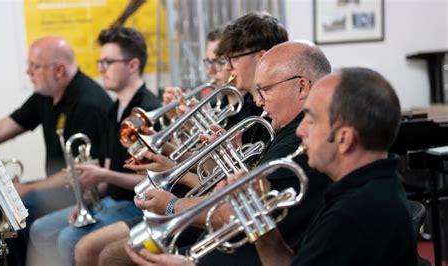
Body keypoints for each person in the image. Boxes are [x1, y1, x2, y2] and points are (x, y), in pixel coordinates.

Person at [125, 68, 419, 266]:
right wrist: (263, 230)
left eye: (312, 120)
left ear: (344, 139)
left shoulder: (356, 214)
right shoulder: (355, 191)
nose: (301, 131)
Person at [73, 13, 292, 266]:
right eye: (215, 60)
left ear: (261, 56)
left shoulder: (263, 118)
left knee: (108, 255)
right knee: (92, 250)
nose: (221, 68)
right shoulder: (242, 109)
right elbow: (217, 176)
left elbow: (229, 190)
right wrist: (172, 145)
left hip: (211, 217)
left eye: (227, 59)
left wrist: (173, 175)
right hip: (194, 204)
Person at [132, 40, 332, 266]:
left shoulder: (297, 143)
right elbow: (243, 192)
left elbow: (236, 211)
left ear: (302, 87)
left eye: (265, 90)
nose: (258, 101)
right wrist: (230, 159)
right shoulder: (283, 131)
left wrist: (172, 206)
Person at [72, 26, 232, 266]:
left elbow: (216, 180)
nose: (210, 70)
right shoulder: (112, 109)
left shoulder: (147, 104)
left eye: (219, 61)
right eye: (207, 61)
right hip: (166, 200)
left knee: (88, 247)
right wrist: (179, 134)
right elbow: (206, 169)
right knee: (83, 245)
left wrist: (172, 156)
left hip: (155, 203)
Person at [28, 27, 161, 266]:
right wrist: (84, 202)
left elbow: (152, 181)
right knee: (40, 229)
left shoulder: (146, 110)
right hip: (111, 200)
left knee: (69, 239)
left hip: (136, 205)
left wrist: (103, 174)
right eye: (100, 62)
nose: (100, 69)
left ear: (132, 65)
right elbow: (107, 172)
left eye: (108, 62)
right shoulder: (114, 109)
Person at [0, 36, 113, 265]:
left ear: (59, 70)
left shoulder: (88, 104)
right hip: (59, 185)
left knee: (24, 203)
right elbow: (1, 129)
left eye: (35, 66)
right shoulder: (46, 95)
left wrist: (29, 187)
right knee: (9, 200)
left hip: (85, 191)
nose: (28, 72)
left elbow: (85, 173)